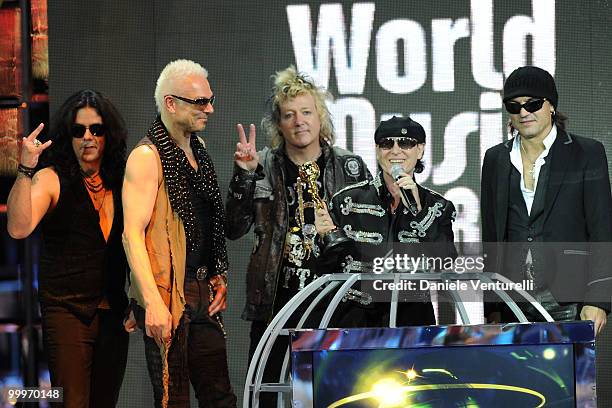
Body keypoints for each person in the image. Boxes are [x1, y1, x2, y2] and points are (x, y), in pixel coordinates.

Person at [226, 66, 370, 403]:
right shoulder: (259, 165)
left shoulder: (350, 166)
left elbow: (368, 242)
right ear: (278, 124)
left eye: (306, 112)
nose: (299, 121)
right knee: (267, 395)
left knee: (337, 396)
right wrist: (244, 177)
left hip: (335, 303)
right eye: (289, 115)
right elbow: (233, 229)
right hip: (276, 303)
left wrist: (336, 231)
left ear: (320, 118)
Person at [122, 59, 236, 407]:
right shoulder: (147, 156)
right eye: (200, 102)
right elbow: (132, 235)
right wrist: (153, 302)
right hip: (169, 295)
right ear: (171, 103)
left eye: (209, 99)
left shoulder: (197, 151)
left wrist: (216, 274)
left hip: (201, 293)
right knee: (175, 400)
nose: (210, 109)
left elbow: (206, 223)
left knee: (221, 399)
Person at [7, 89, 129, 407]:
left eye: (96, 129)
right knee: (73, 401)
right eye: (79, 130)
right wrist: (24, 170)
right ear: (68, 135)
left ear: (108, 134)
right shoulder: (51, 178)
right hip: (66, 310)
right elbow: (18, 228)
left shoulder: (120, 180)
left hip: (113, 311)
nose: (87, 137)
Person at [481, 66, 612, 335]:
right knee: (510, 376)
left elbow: (602, 229)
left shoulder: (586, 153)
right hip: (511, 299)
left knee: (568, 376)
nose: (524, 112)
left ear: (551, 105)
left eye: (533, 103)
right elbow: (492, 235)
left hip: (569, 296)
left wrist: (598, 298)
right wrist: (491, 303)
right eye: (514, 106)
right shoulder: (495, 159)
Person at [316, 115, 458, 327]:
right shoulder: (347, 201)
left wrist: (419, 212)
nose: (395, 150)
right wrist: (323, 239)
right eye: (386, 143)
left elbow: (445, 264)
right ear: (377, 150)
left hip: (412, 323)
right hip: (356, 323)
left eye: (406, 143)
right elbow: (324, 268)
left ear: (420, 150)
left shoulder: (438, 207)